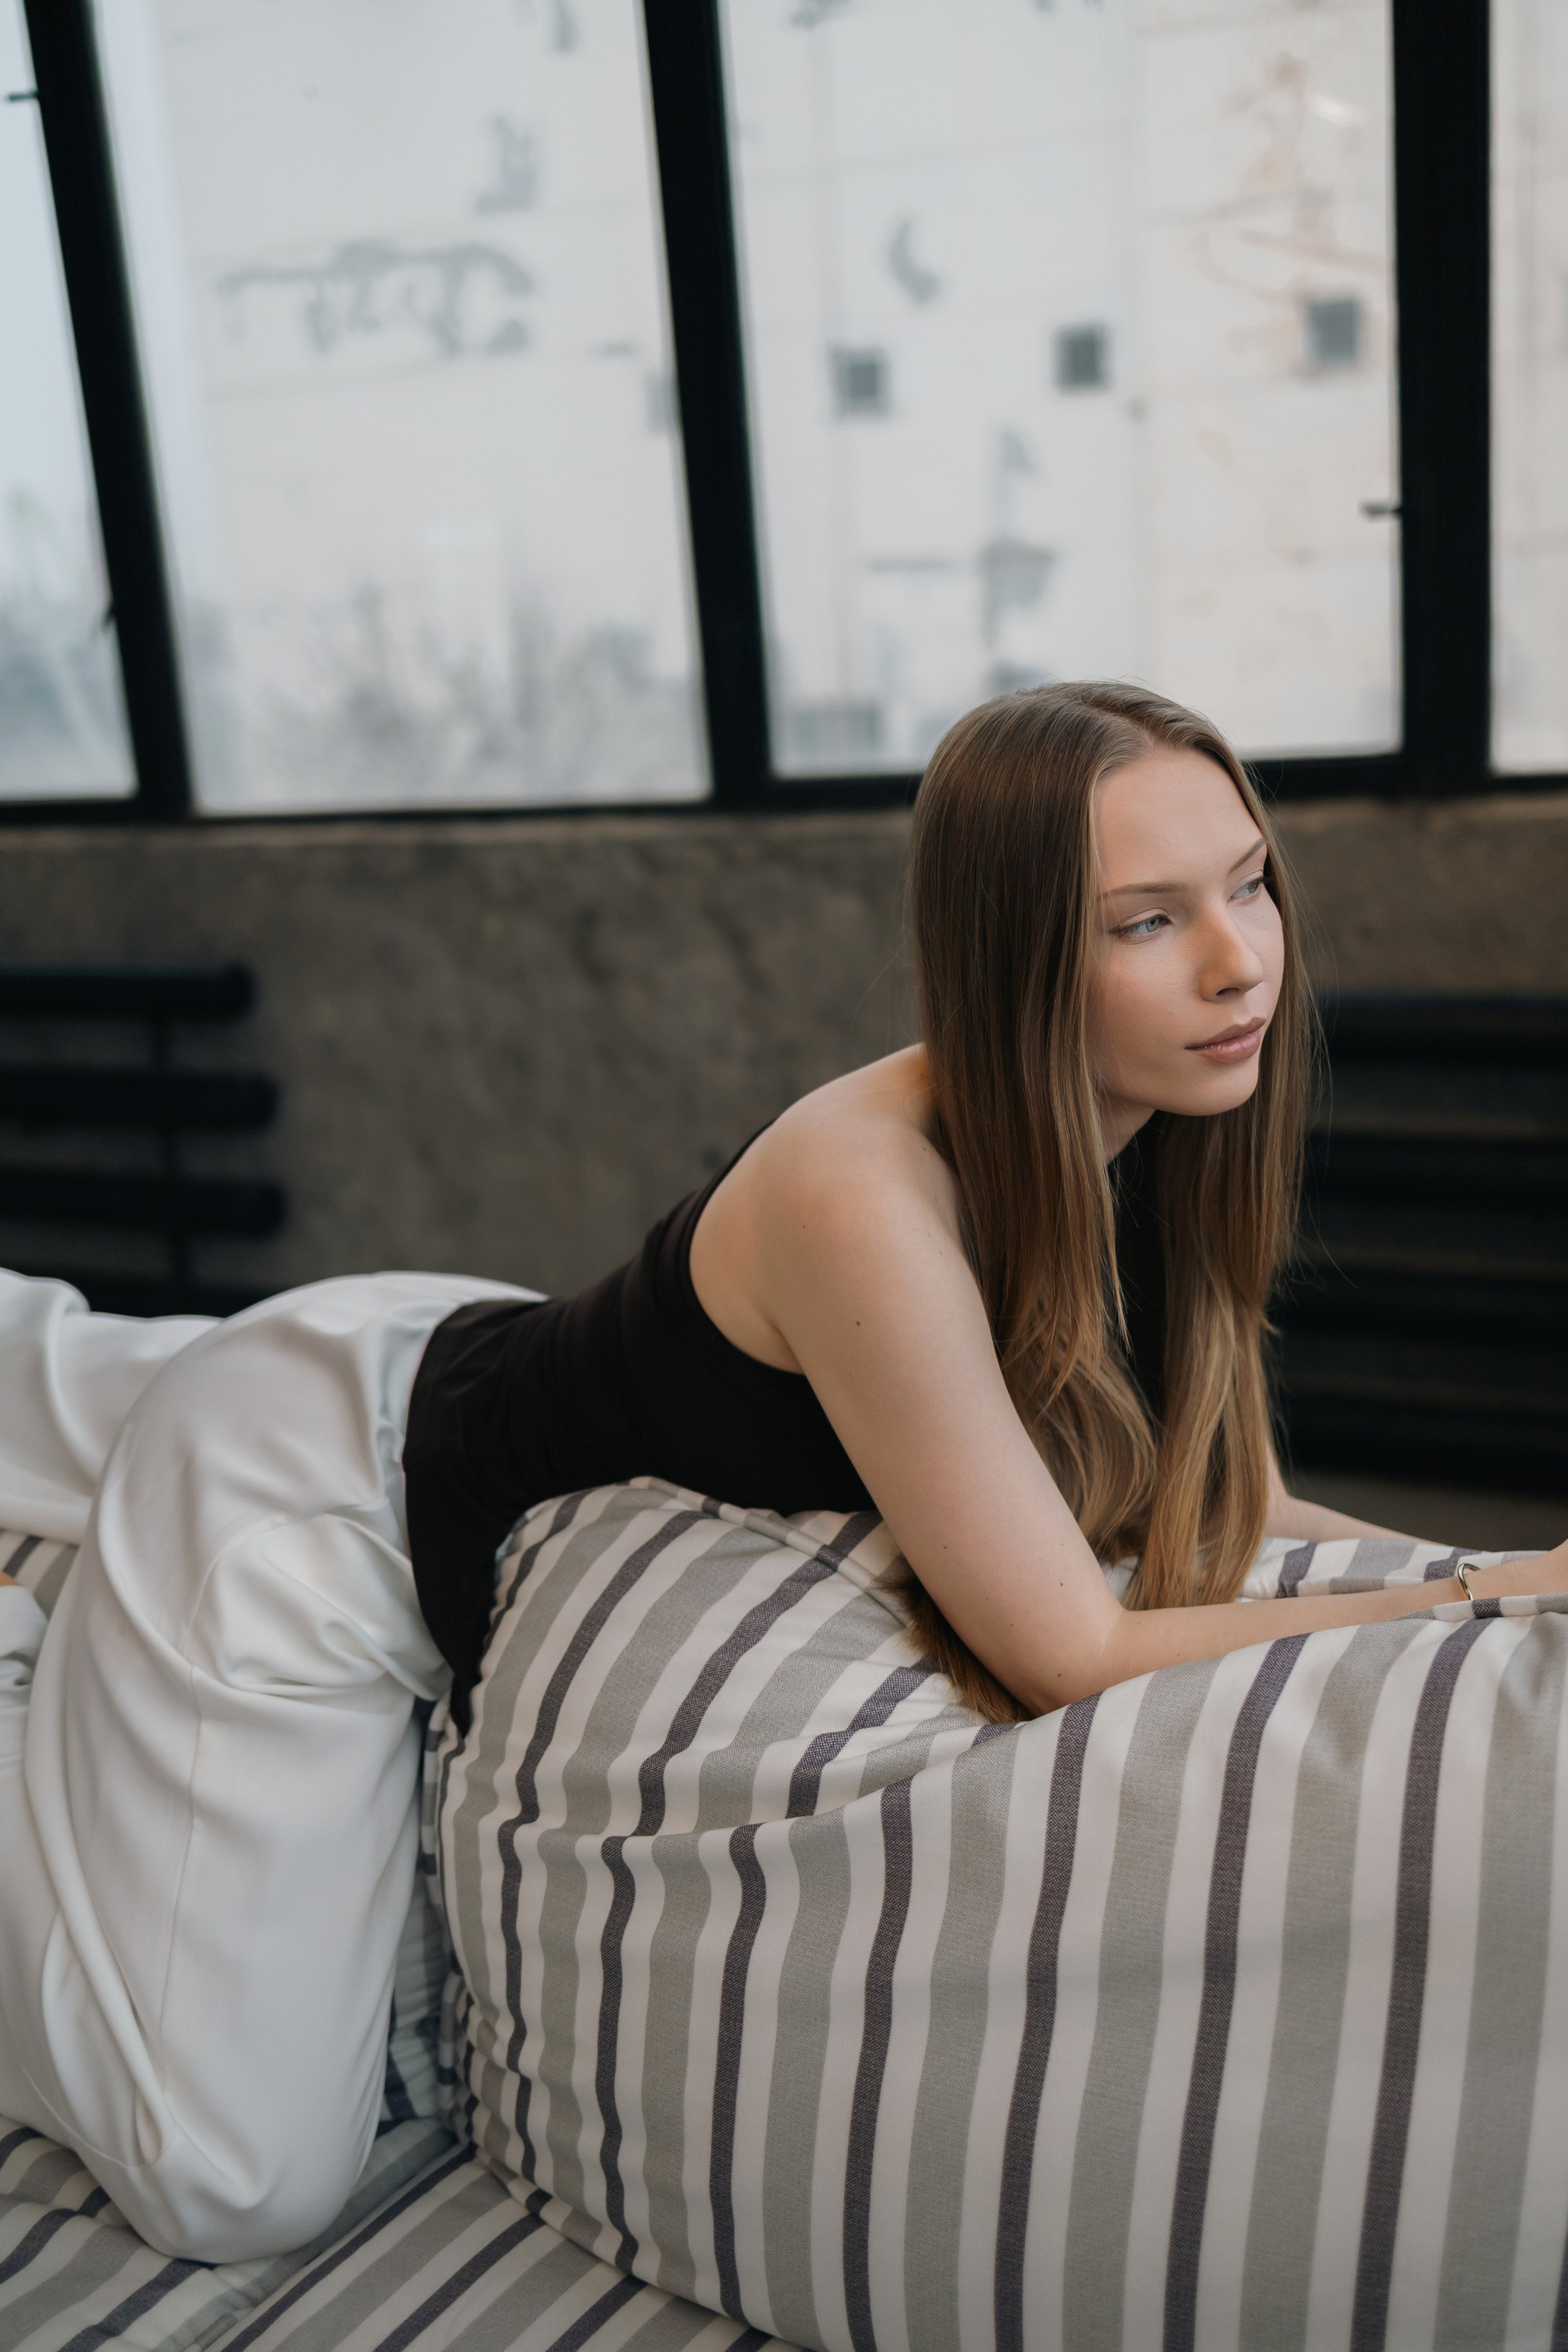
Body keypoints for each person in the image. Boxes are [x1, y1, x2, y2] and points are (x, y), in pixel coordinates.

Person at [0, 680, 1562, 2261]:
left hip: (437, 1352)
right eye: (1147, 921)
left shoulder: (1154, 1125)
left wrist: (1491, 1582)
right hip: (318, 1511)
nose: (1241, 960)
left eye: (1249, 884)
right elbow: (1068, 1650)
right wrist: (1493, 1593)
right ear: (1011, 953)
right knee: (233, 2182)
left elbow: (1237, 1503)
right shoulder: (861, 1193)